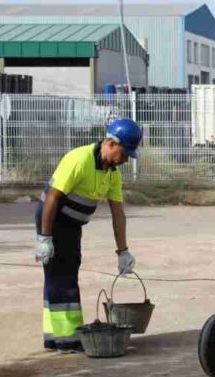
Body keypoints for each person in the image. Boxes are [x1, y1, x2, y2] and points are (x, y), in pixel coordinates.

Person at [35, 119, 142, 352]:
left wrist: (123, 251)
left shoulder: (112, 174)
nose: (125, 160)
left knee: (60, 273)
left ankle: (54, 337)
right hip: (53, 220)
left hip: (72, 225)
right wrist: (45, 237)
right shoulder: (79, 159)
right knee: (63, 277)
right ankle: (68, 339)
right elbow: (52, 198)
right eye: (125, 154)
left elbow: (118, 213)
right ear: (111, 144)